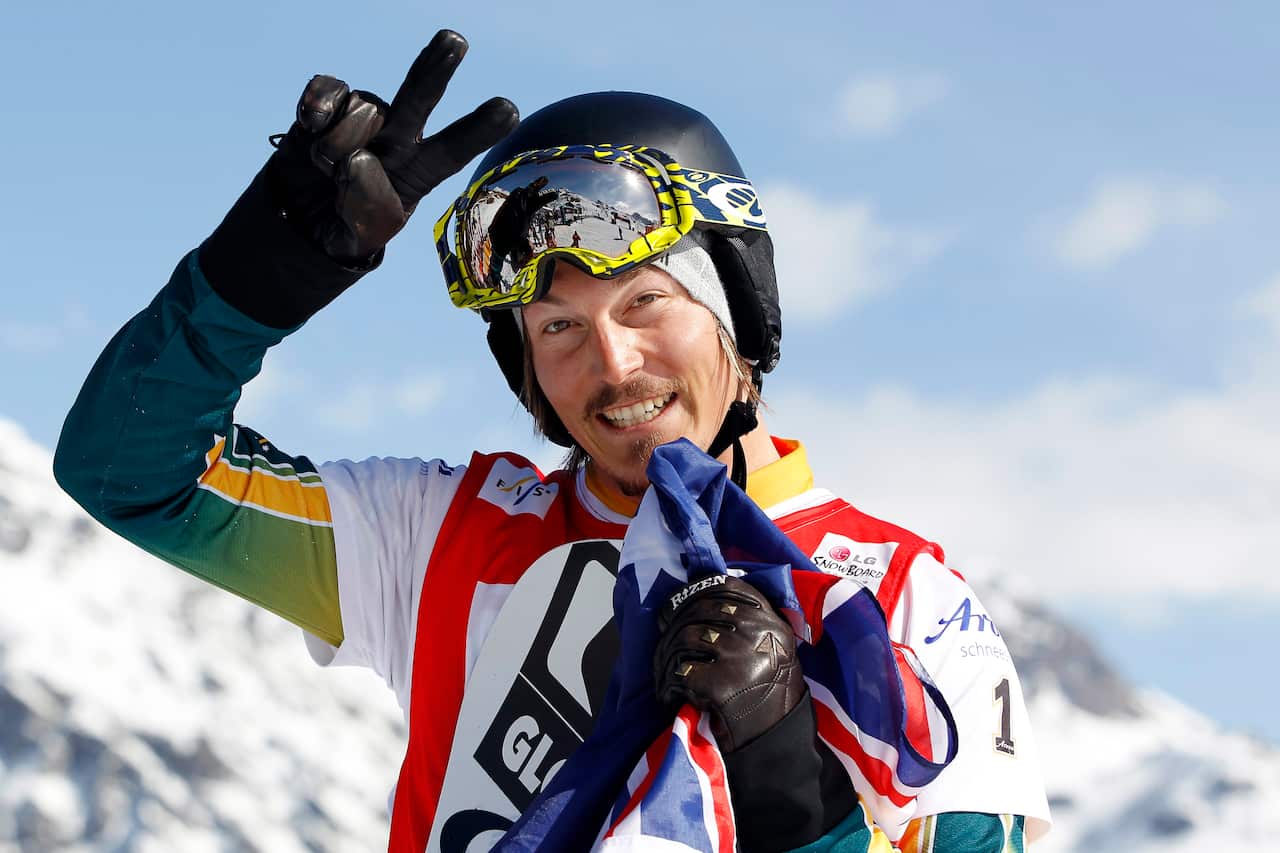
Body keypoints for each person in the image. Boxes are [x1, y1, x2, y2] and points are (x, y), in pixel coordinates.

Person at [54, 30, 1050, 853]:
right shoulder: (438, 536)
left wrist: (790, 786)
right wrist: (263, 269)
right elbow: (128, 470)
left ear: (738, 310)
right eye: (559, 327)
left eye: (645, 302)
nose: (613, 365)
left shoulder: (903, 596)